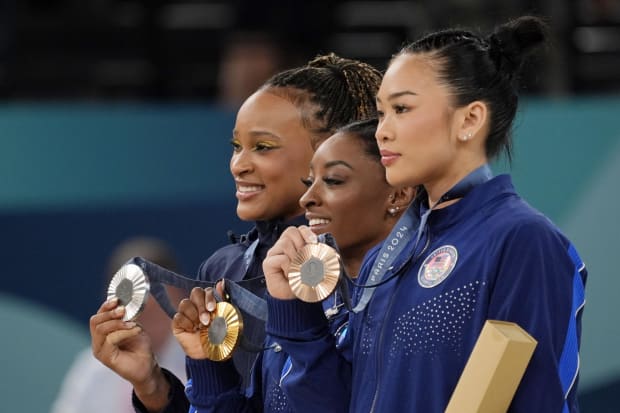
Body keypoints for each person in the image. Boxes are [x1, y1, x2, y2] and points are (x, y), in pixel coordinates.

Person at [262, 16, 588, 412]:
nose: (382, 131)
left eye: (402, 108)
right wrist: (294, 308)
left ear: (469, 120)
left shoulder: (521, 239)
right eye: (382, 112)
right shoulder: (388, 257)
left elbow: (536, 401)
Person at [89, 52, 382, 413]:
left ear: (329, 151)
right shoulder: (222, 272)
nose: (239, 165)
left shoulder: (364, 265)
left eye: (262, 147)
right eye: (236, 146)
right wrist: (152, 386)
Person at [173, 118, 415, 412]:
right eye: (309, 182)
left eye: (334, 181)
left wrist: (299, 321)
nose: (307, 199)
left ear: (398, 194)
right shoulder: (308, 299)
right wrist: (209, 367)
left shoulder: (409, 306)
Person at [52, 236, 186, 413]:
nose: (150, 303)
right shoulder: (92, 371)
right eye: (139, 297)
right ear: (113, 304)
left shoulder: (208, 358)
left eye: (159, 292)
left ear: (180, 295)